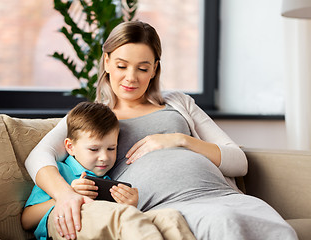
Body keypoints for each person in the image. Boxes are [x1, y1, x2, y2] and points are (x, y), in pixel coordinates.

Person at [25, 21, 298, 240]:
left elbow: (239, 162)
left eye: (143, 68)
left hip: (222, 195)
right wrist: (66, 195)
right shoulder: (94, 115)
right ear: (106, 62)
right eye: (121, 66)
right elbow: (38, 156)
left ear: (155, 69)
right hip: (170, 208)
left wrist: (178, 140)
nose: (131, 77)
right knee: (225, 225)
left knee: (277, 229)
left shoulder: (178, 103)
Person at [21, 101, 193, 240]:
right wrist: (65, 196)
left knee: (170, 218)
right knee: (124, 218)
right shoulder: (59, 172)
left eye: (111, 149)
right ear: (70, 147)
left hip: (105, 225)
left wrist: (131, 205)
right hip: (66, 224)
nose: (104, 157)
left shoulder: (109, 181)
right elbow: (27, 220)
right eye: (94, 149)